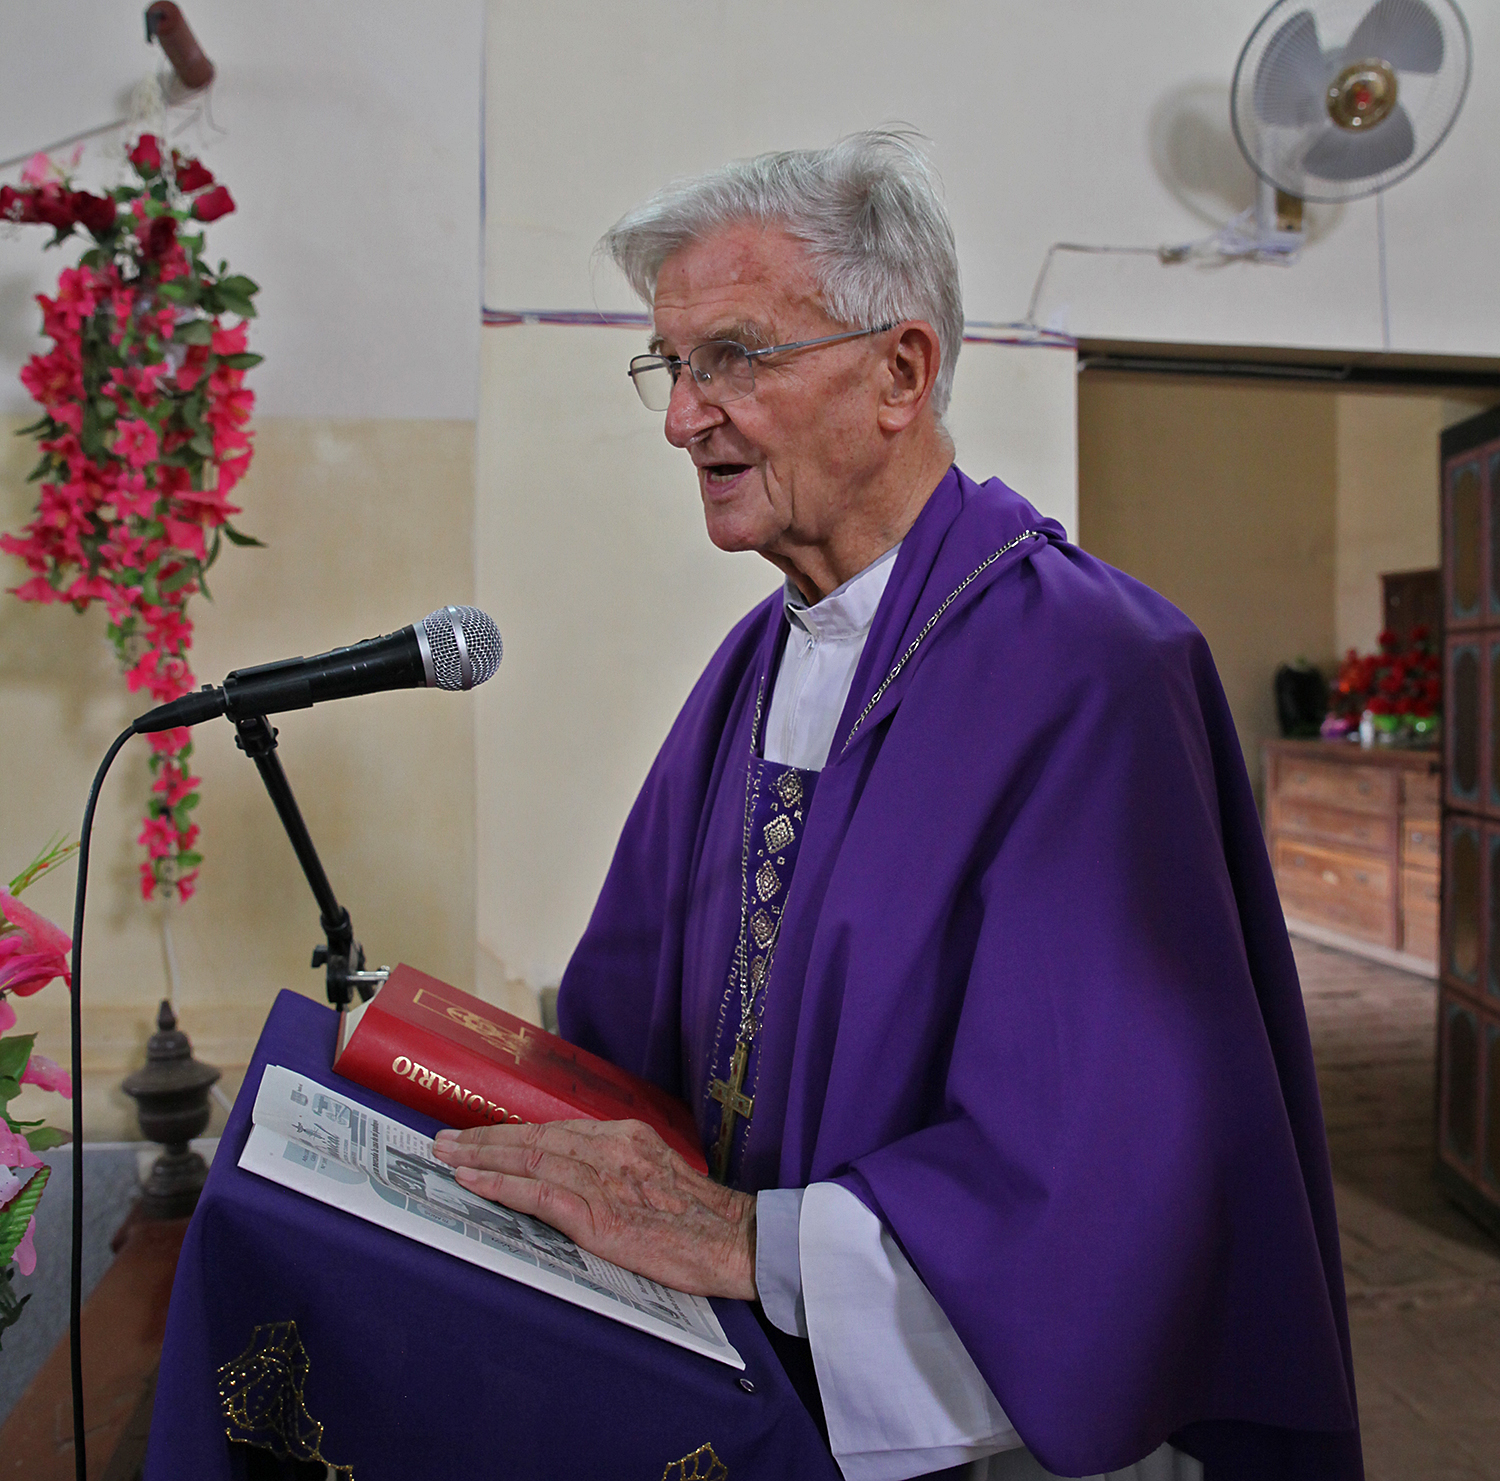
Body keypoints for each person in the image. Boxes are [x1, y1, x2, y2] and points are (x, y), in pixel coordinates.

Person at [433, 131, 1363, 1481]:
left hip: (1008, 1436)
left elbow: (1109, 1170)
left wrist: (751, 1239)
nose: (685, 414)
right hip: (746, 1384)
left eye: (734, 357)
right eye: (674, 365)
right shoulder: (760, 664)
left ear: (901, 370)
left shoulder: (1094, 671)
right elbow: (631, 1025)